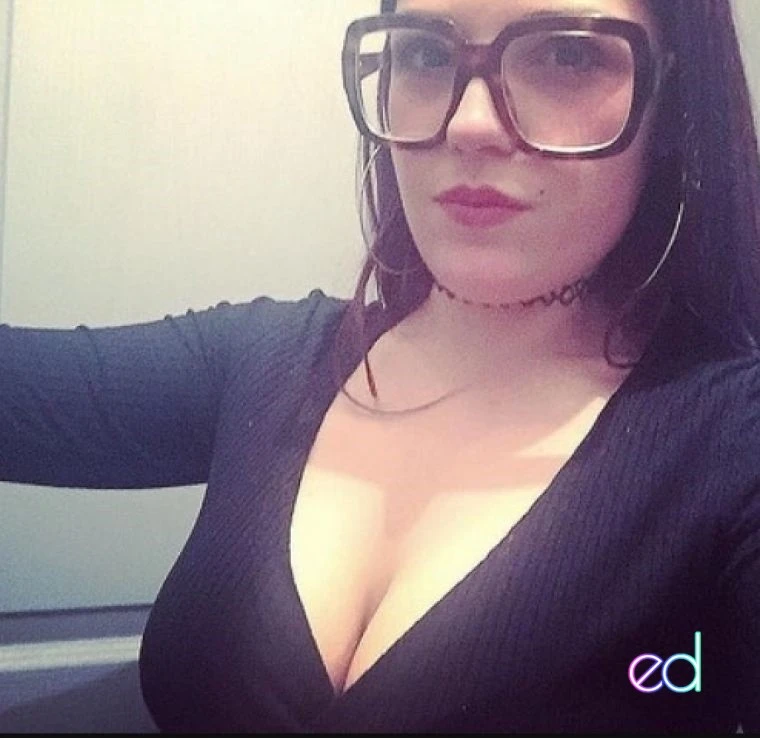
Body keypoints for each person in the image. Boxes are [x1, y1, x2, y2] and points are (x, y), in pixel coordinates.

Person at [1, 0, 759, 734]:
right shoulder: (267, 359)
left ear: (674, 105)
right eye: (425, 53)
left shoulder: (735, 445)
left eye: (567, 54)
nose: (468, 123)